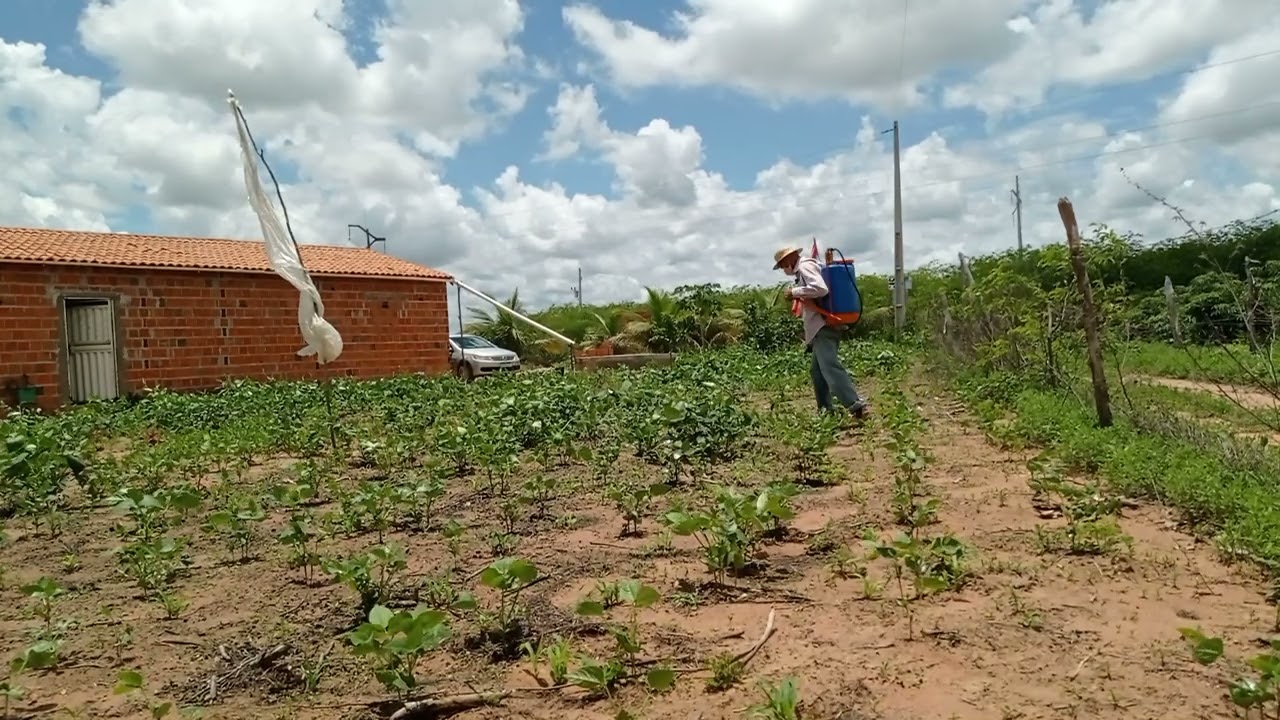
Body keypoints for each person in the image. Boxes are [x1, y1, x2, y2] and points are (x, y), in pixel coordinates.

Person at [773, 244, 869, 419]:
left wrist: (794, 292)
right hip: (820, 326)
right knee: (817, 372)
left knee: (830, 366)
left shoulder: (805, 266)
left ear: (789, 260)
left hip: (823, 326)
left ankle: (856, 406)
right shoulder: (805, 268)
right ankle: (826, 410)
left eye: (781, 265)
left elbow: (820, 288)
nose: (782, 269)